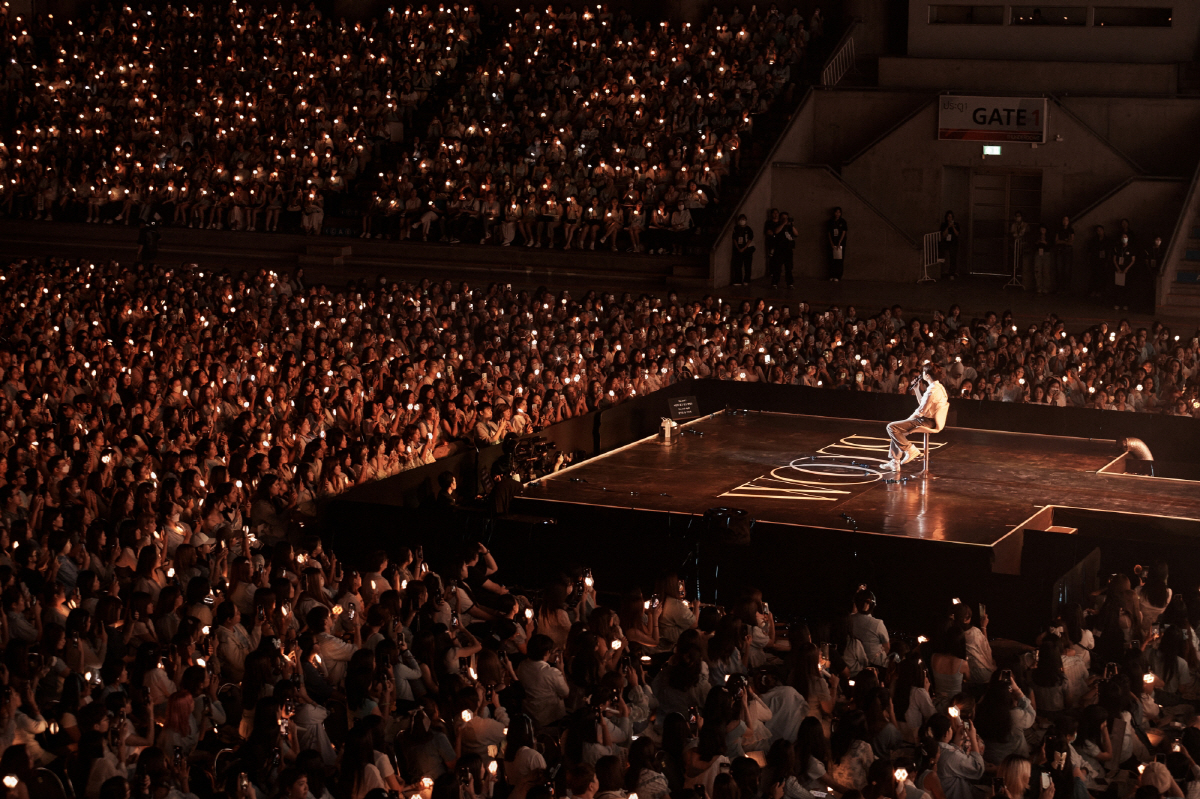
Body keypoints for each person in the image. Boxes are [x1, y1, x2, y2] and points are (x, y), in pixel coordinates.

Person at [883, 362, 948, 471]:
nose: (921, 374)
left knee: (891, 427)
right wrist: (917, 390)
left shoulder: (932, 390)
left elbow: (920, 411)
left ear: (927, 375)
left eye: (923, 372)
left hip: (927, 421)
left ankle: (910, 449)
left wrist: (908, 420)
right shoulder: (938, 387)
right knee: (898, 430)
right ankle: (895, 462)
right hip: (929, 419)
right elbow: (923, 404)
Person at [731, 215, 755, 286]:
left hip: (747, 249)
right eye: (741, 219)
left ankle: (746, 280)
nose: (742, 221)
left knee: (747, 265)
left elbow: (750, 239)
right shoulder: (736, 228)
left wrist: (744, 248)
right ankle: (738, 280)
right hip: (738, 249)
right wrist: (738, 248)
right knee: (738, 265)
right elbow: (734, 238)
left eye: (744, 219)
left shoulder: (748, 229)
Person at [1054, 215, 1075, 294]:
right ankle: (1060, 288)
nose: (1065, 221)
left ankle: (1066, 288)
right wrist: (1065, 241)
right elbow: (1056, 241)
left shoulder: (1071, 230)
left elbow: (1071, 242)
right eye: (1064, 219)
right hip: (1060, 250)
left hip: (1067, 250)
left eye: (1066, 220)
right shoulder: (1059, 229)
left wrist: (1062, 241)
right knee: (1059, 269)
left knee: (1067, 270)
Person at [827, 207, 847, 282]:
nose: (837, 214)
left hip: (840, 243)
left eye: (839, 212)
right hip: (832, 243)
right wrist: (832, 243)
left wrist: (839, 242)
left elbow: (844, 232)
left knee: (839, 260)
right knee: (832, 260)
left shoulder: (843, 221)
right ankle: (832, 275)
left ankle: (838, 276)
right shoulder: (830, 221)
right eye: (836, 212)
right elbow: (829, 233)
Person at [940, 211, 961, 280]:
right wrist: (948, 227)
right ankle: (944, 272)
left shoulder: (956, 224)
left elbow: (957, 234)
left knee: (953, 258)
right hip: (946, 243)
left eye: (951, 217)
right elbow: (943, 234)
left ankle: (952, 273)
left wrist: (953, 227)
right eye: (948, 217)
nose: (950, 218)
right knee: (945, 257)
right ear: (946, 217)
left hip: (953, 243)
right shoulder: (943, 225)